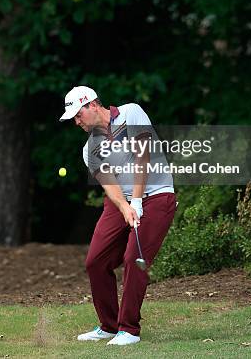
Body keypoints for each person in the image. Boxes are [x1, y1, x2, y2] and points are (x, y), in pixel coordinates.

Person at [59, 85, 177, 346]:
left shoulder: (131, 113)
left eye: (78, 115)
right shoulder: (89, 149)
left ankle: (130, 330)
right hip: (120, 201)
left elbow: (142, 157)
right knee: (95, 261)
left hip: (157, 195)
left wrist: (137, 200)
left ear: (91, 104)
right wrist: (126, 207)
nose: (77, 122)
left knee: (133, 258)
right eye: (73, 119)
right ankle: (109, 326)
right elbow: (109, 184)